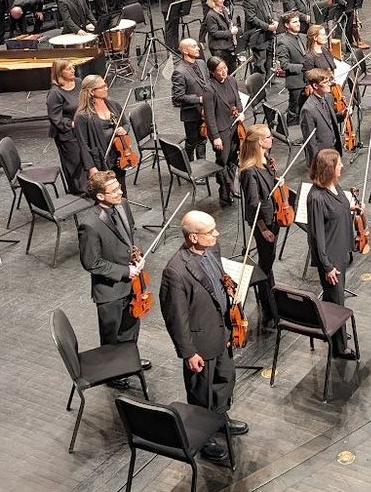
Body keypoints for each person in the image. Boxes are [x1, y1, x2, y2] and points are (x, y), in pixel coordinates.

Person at [158, 210, 248, 463]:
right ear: (194, 237)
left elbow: (217, 283)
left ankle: (219, 419)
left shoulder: (212, 249)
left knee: (223, 382)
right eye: (210, 232)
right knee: (201, 393)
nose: (217, 234)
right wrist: (188, 352)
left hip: (221, 331)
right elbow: (176, 317)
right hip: (199, 343)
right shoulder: (175, 272)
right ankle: (202, 435)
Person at [76, 171, 152, 387]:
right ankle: (113, 374)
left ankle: (128, 361)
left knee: (130, 327)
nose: (121, 192)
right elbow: (91, 263)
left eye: (119, 187)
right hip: (110, 290)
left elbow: (129, 236)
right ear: (100, 196)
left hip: (132, 285)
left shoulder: (123, 205)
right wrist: (124, 271)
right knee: (112, 334)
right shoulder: (90, 225)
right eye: (114, 190)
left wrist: (137, 256)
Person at [306, 148, 358, 359]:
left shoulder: (335, 186)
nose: (342, 167)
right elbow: (316, 236)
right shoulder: (316, 198)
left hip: (342, 250)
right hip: (331, 259)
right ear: (329, 169)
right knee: (336, 302)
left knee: (337, 298)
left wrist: (352, 209)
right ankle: (339, 347)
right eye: (338, 165)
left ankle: (338, 336)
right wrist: (327, 266)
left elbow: (340, 207)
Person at [238, 124, 281, 324]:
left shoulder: (265, 162)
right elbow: (253, 204)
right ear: (260, 143)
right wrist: (263, 229)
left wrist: (277, 181)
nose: (272, 139)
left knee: (269, 262)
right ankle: (269, 306)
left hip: (274, 217)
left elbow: (269, 188)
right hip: (264, 224)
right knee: (265, 265)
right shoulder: (249, 172)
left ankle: (272, 301)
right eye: (268, 137)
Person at [74, 74, 130, 187]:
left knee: (121, 190)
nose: (106, 88)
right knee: (107, 192)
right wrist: (92, 168)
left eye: (105, 85)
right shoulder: (82, 116)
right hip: (101, 161)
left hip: (119, 157)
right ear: (91, 91)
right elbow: (83, 146)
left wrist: (124, 129)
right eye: (102, 86)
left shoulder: (114, 105)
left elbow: (126, 123)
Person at [204, 56, 242, 206]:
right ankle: (224, 192)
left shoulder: (231, 81)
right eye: (219, 70)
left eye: (225, 68)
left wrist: (240, 111)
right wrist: (215, 137)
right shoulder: (209, 89)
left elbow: (237, 100)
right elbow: (209, 116)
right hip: (220, 131)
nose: (224, 72)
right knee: (223, 162)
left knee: (233, 159)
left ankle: (231, 187)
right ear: (212, 72)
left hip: (234, 127)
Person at [46, 58, 87, 195]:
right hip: (66, 133)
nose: (73, 70)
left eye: (73, 67)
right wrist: (72, 123)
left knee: (85, 158)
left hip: (81, 128)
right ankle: (78, 191)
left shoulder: (79, 82)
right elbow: (55, 118)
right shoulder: (55, 93)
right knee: (74, 161)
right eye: (69, 68)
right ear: (60, 72)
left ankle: (88, 186)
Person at [171, 38, 213, 161]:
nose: (198, 48)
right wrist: (199, 99)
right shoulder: (179, 72)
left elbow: (207, 83)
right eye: (194, 46)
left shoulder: (201, 63)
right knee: (192, 142)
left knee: (203, 139)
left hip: (205, 111)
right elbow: (178, 98)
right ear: (185, 50)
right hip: (191, 113)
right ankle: (190, 167)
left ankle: (202, 164)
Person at [299, 68, 345, 164]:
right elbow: (310, 141)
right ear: (316, 86)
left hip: (334, 149)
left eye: (329, 81)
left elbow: (329, 120)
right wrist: (317, 162)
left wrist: (342, 115)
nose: (329, 84)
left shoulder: (329, 97)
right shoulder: (308, 110)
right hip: (322, 156)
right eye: (325, 82)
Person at [242, 0, 278, 75]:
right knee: (260, 61)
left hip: (268, 32)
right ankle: (259, 83)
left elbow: (271, 8)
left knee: (270, 56)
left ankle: (268, 79)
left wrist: (274, 20)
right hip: (257, 35)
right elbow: (252, 18)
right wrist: (268, 27)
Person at [275, 11, 307, 123]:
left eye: (298, 21)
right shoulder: (283, 42)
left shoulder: (303, 37)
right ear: (287, 25)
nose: (298, 24)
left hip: (307, 80)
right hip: (296, 83)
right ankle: (292, 135)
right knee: (295, 112)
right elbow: (284, 65)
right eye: (295, 22)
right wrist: (303, 67)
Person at [202, 0, 238, 73]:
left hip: (228, 46)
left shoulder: (224, 10)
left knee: (232, 69)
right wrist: (230, 32)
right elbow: (214, 33)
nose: (223, 0)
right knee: (223, 71)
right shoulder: (211, 15)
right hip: (219, 48)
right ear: (213, 1)